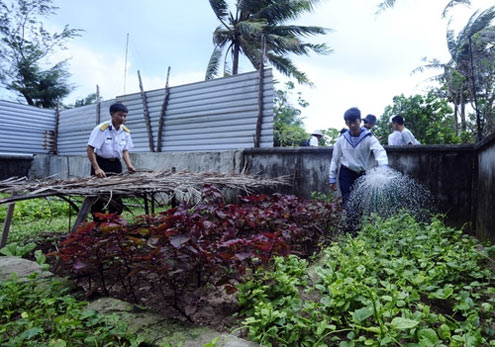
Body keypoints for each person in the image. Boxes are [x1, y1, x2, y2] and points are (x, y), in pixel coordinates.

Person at [329, 107, 388, 205]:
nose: (352, 125)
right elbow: (335, 159)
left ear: (360, 121)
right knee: (347, 202)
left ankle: (357, 220)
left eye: (355, 122)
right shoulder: (342, 139)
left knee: (359, 202)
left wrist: (383, 168)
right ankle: (349, 220)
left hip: (361, 175)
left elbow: (379, 151)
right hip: (346, 174)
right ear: (346, 123)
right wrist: (332, 178)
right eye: (349, 122)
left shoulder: (369, 137)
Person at [87, 102, 136, 218]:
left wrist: (129, 165)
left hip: (116, 165)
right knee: (99, 195)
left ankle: (114, 222)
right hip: (101, 164)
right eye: (120, 115)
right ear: (112, 114)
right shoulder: (101, 129)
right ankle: (98, 223)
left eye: (125, 116)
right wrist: (97, 168)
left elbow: (125, 150)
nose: (123, 118)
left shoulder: (125, 131)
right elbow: (90, 149)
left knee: (117, 195)